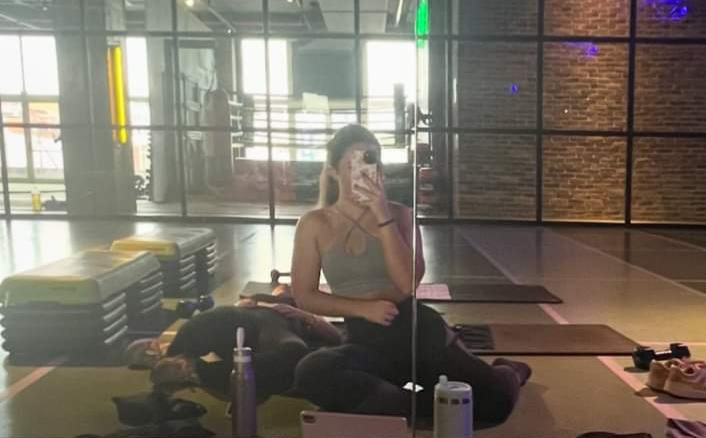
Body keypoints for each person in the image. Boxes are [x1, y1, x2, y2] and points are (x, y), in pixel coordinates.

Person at [290, 124, 531, 423]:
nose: (363, 173)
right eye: (352, 165)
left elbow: (407, 284)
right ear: (333, 172)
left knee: (496, 400)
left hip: (418, 334)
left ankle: (509, 371)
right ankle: (420, 403)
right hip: (363, 340)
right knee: (311, 371)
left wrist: (381, 214)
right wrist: (363, 309)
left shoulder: (400, 215)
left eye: (371, 162)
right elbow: (305, 296)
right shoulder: (314, 224)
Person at [125, 288, 341, 403]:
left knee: (294, 355)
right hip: (256, 322)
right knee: (293, 355)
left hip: (254, 326)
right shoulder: (279, 314)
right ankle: (185, 369)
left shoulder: (286, 319)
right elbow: (334, 336)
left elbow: (332, 337)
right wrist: (304, 315)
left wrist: (305, 316)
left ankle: (187, 370)